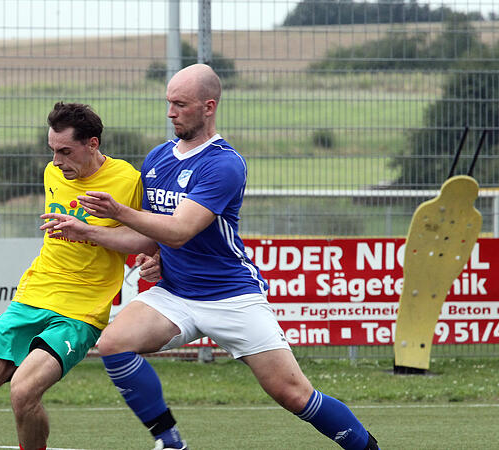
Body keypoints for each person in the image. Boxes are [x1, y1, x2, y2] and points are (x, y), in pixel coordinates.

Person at [41, 64, 379, 450]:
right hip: (176, 294)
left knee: (293, 394)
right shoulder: (156, 159)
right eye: (168, 103)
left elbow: (181, 229)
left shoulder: (224, 164)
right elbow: (152, 232)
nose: (170, 113)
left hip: (231, 295)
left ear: (208, 106)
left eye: (180, 104)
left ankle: (367, 447)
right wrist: (150, 253)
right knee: (115, 342)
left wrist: (117, 211)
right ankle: (170, 442)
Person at [0, 102, 159, 450]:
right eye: (52, 151)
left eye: (65, 151)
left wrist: (150, 255)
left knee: (24, 390)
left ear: (92, 144)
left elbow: (149, 237)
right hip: (32, 297)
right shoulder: (53, 174)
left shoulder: (128, 181)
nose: (57, 161)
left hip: (79, 313)